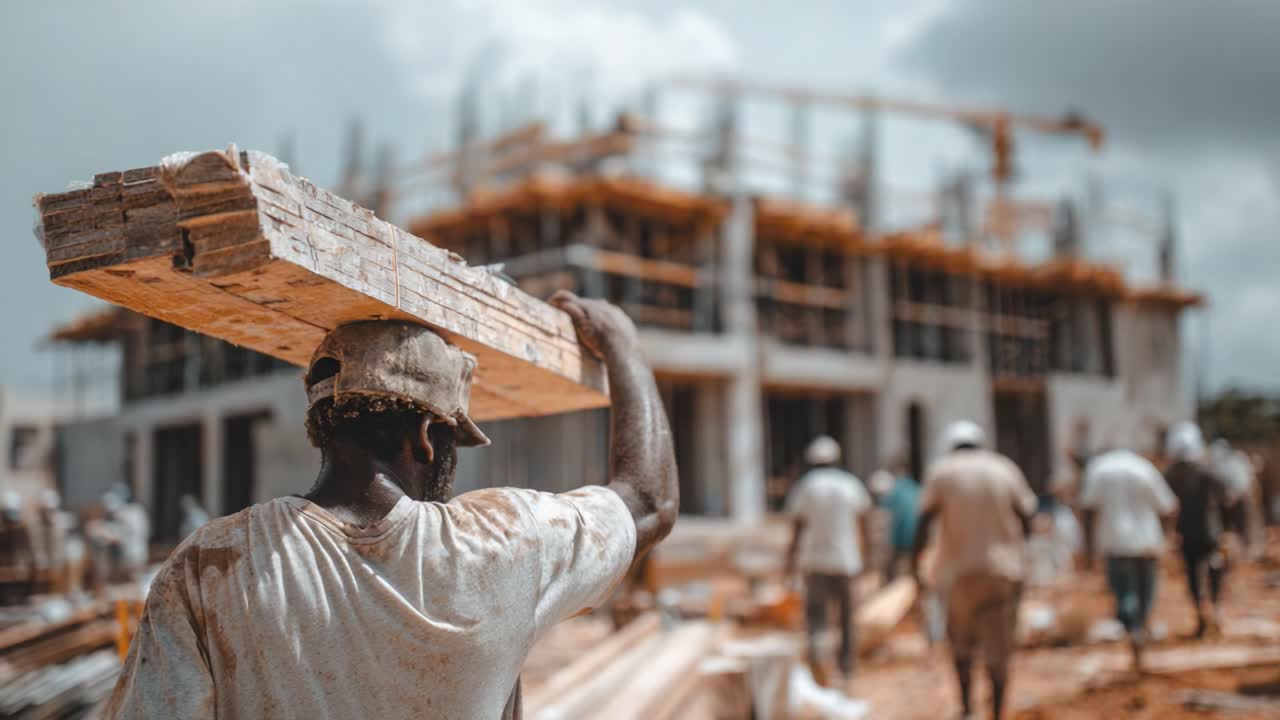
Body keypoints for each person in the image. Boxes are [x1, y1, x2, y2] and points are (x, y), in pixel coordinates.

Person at [105, 291, 678, 719]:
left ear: (322, 430)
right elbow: (650, 500)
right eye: (453, 439)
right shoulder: (503, 546)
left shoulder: (212, 564)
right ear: (427, 435)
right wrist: (623, 345)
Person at [912, 420, 1036, 720]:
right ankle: (997, 712)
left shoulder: (942, 472)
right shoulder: (1004, 468)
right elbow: (1027, 516)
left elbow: (925, 521)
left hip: (957, 573)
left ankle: (967, 709)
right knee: (999, 649)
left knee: (961, 646)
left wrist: (914, 564)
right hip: (1003, 570)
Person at [1079, 446, 1178, 671]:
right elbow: (1169, 506)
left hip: (1115, 543)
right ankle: (1140, 628)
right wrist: (1167, 537)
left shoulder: (1099, 469)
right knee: (1145, 593)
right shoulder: (1143, 468)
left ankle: (1133, 629)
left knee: (1124, 592)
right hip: (1148, 542)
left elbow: (1087, 508)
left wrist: (1088, 551)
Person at [785, 436, 872, 685]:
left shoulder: (806, 486)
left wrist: (790, 563)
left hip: (815, 562)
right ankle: (846, 669)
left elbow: (797, 529)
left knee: (816, 619)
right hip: (846, 561)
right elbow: (864, 523)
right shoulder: (850, 484)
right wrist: (869, 558)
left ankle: (818, 668)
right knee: (846, 618)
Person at [1165, 422, 1229, 637]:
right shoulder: (1206, 470)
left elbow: (1166, 505)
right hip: (1209, 531)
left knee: (1193, 573)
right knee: (1214, 567)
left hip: (1186, 533)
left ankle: (1202, 609)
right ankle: (1215, 607)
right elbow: (1226, 493)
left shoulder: (1171, 474)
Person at [0, 492, 36, 605]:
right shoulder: (2, 534)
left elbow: (30, 559)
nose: (11, 524)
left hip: (21, 589)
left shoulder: (23, 534)